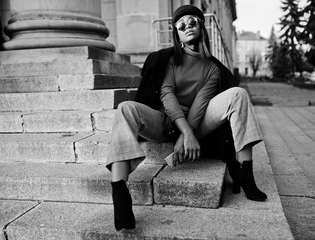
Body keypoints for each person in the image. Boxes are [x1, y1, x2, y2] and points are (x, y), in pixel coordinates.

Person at [106, 5, 267, 231]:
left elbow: (201, 103)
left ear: (201, 26)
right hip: (165, 120)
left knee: (238, 95)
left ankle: (247, 176)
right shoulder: (170, 59)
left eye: (192, 22)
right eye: (181, 26)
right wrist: (186, 133)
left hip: (198, 119)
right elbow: (166, 94)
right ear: (178, 35)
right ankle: (120, 196)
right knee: (125, 108)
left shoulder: (212, 67)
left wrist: (189, 133)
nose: (187, 27)